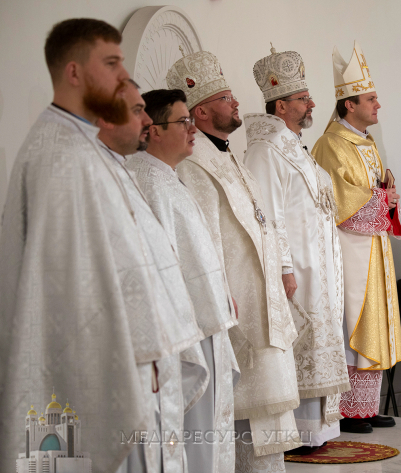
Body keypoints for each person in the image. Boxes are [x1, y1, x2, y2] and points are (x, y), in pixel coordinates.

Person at [0, 19, 196, 473]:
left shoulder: (82, 146)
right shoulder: (62, 157)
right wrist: (129, 357)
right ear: (73, 73)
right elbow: (72, 285)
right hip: (100, 367)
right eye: (110, 64)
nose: (121, 75)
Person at [167, 50, 301, 472]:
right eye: (226, 98)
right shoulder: (194, 164)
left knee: (268, 410)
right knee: (245, 410)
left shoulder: (228, 155)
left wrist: (282, 268)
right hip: (235, 301)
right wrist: (219, 295)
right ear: (201, 111)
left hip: (263, 296)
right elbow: (201, 240)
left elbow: (263, 221)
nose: (236, 102)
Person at [126, 88, 241, 471]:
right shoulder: (148, 183)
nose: (192, 129)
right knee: (196, 430)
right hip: (187, 328)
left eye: (192, 120)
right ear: (154, 130)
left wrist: (221, 292)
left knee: (210, 428)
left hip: (205, 318)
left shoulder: (169, 179)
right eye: (182, 121)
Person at [243, 46, 349, 454]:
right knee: (302, 342)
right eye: (303, 99)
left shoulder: (297, 148)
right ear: (281, 104)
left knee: (321, 341)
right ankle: (300, 430)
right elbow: (267, 215)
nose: (312, 104)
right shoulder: (265, 150)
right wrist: (284, 267)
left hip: (319, 268)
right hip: (298, 271)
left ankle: (318, 430)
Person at [98, 80, 208, 473]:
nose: (144, 120)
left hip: (184, 321)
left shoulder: (165, 177)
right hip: (157, 335)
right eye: (184, 121)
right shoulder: (139, 178)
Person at [312, 41, 401, 433]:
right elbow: (344, 203)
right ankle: (349, 410)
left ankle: (365, 407)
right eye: (371, 99)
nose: (378, 105)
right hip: (351, 251)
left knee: (376, 323)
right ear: (349, 103)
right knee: (356, 320)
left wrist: (389, 196)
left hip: (375, 247)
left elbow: (379, 190)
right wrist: (384, 198)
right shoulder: (331, 144)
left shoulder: (366, 143)